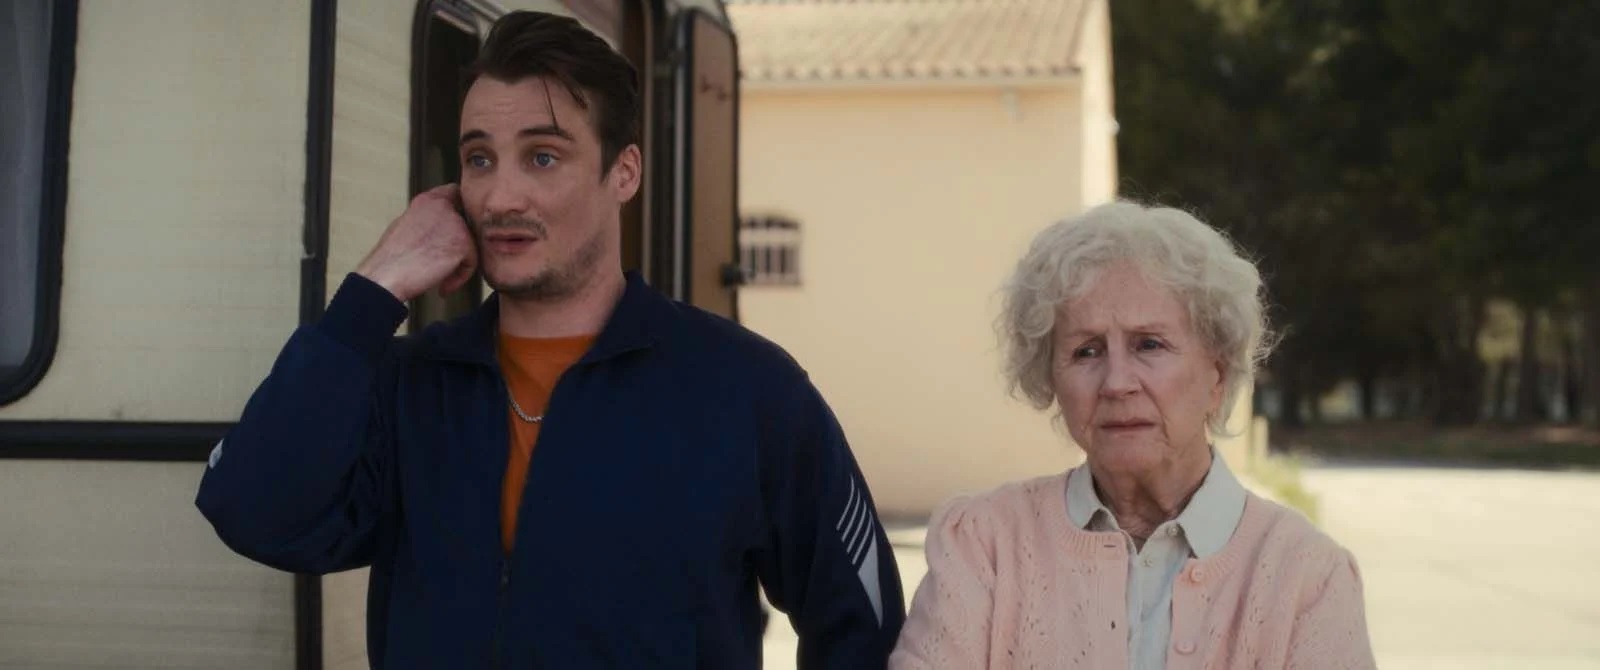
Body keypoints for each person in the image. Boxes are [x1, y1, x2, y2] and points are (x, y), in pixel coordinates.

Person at [196, 11, 902, 668]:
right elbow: (251, 512)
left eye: (542, 157)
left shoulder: (747, 390)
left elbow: (864, 626)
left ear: (623, 172)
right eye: (479, 160)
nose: (501, 197)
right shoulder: (410, 384)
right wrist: (374, 288)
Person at [888, 201, 1375, 669]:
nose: (1117, 382)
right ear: (1050, 377)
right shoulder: (984, 545)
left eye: (1149, 345)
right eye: (1086, 351)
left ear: (1218, 375)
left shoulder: (1306, 576)